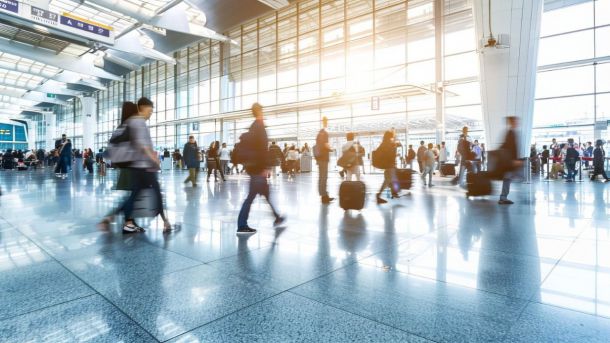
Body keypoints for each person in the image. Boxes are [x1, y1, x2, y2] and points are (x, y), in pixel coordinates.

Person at [99, 99, 172, 233]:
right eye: (150, 111)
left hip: (137, 166)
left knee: (134, 196)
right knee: (156, 194)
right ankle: (166, 223)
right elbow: (143, 145)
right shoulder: (138, 121)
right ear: (142, 108)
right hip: (145, 166)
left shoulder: (130, 121)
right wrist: (155, 160)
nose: (150, 114)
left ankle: (111, 218)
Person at [237, 103, 285, 235]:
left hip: (254, 167)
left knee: (265, 195)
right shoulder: (259, 126)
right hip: (258, 169)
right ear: (260, 111)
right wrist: (265, 167)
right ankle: (241, 224)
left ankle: (277, 217)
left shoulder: (254, 126)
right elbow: (262, 149)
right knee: (252, 196)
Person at [498, 116, 522, 205]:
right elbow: (510, 147)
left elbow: (505, 146)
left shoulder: (512, 132)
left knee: (508, 178)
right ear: (511, 122)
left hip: (510, 160)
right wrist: (514, 159)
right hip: (510, 161)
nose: (517, 123)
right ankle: (503, 197)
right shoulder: (510, 133)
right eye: (515, 121)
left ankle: (503, 197)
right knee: (507, 178)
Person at [375, 130, 399, 204]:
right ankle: (393, 193)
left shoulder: (384, 143)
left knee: (387, 181)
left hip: (387, 165)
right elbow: (391, 154)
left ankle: (380, 195)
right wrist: (394, 146)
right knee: (392, 179)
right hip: (389, 165)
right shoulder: (388, 144)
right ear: (390, 136)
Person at [315, 116, 335, 204]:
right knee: (324, 177)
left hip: (319, 158)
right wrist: (332, 149)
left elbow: (318, 145)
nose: (327, 123)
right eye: (326, 121)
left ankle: (323, 195)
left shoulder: (318, 134)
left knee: (321, 177)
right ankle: (324, 196)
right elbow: (326, 145)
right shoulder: (325, 133)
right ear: (324, 122)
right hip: (324, 158)